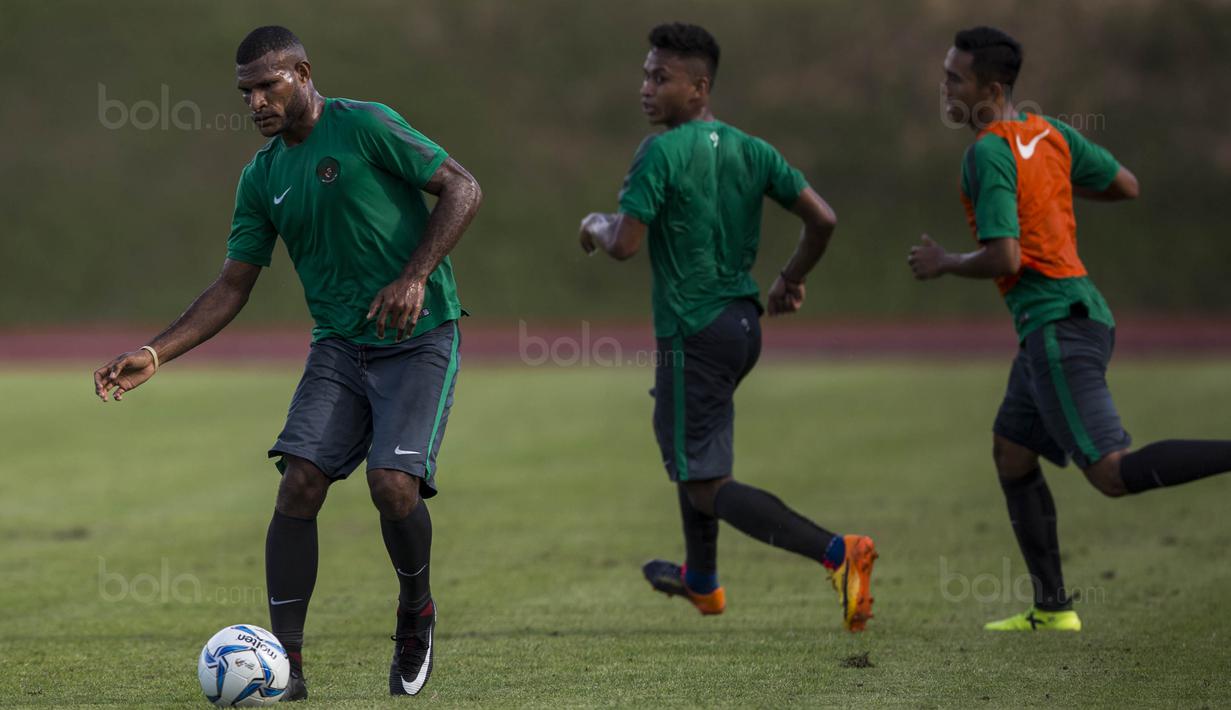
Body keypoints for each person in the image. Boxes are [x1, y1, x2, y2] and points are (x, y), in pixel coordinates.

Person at [92, 26, 481, 697]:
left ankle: (415, 611)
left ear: (302, 72)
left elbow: (462, 188)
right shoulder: (263, 175)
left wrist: (416, 274)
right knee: (299, 481)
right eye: (246, 94)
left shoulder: (364, 125)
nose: (256, 104)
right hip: (339, 345)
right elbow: (232, 285)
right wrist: (157, 352)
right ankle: (286, 666)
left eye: (268, 86)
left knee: (392, 487)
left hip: (420, 338)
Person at [909, 25, 1231, 631]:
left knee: (1111, 473)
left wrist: (946, 263)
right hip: (1071, 316)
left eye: (955, 77)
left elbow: (1005, 258)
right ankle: (1053, 609)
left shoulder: (987, 152)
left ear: (992, 87)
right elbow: (1125, 185)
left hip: (1057, 325)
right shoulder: (1048, 131)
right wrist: (1050, 191)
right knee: (1012, 452)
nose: (944, 86)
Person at [579, 22, 877, 632]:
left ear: (699, 86)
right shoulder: (752, 149)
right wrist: (791, 278)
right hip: (743, 326)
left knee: (707, 483)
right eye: (645, 73)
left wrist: (594, 224)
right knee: (696, 457)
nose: (646, 86)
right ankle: (703, 582)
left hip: (694, 331)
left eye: (660, 77)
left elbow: (625, 245)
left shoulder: (659, 152)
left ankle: (838, 554)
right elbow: (822, 219)